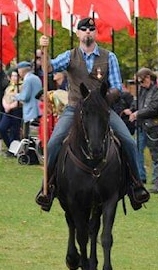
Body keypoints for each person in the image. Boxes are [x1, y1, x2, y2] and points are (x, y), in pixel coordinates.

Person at [35, 16, 150, 212]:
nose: (88, 32)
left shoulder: (109, 56)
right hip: (74, 109)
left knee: (128, 141)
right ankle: (47, 187)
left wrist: (104, 98)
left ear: (95, 33)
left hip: (102, 110)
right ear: (78, 33)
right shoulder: (70, 56)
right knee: (54, 142)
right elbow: (49, 68)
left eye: (91, 29)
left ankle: (136, 185)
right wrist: (44, 51)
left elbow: (117, 87)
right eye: (84, 29)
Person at [132, 68, 158, 194]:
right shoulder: (143, 90)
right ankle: (143, 178)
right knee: (137, 151)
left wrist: (138, 113)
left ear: (149, 77)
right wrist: (132, 110)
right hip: (144, 126)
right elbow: (138, 104)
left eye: (142, 81)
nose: (141, 84)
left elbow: (154, 108)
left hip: (156, 127)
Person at [14, 61, 42, 139]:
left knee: (27, 136)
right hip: (39, 110)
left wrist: (16, 96)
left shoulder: (28, 80)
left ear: (21, 70)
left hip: (30, 112)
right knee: (36, 136)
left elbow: (25, 97)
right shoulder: (36, 78)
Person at [0, 70, 22, 154]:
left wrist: (11, 106)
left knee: (14, 131)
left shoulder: (21, 87)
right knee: (2, 128)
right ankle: (10, 147)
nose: (15, 78)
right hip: (7, 111)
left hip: (16, 111)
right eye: (13, 76)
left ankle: (14, 150)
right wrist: (6, 106)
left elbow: (21, 100)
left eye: (16, 76)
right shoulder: (9, 87)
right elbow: (4, 97)